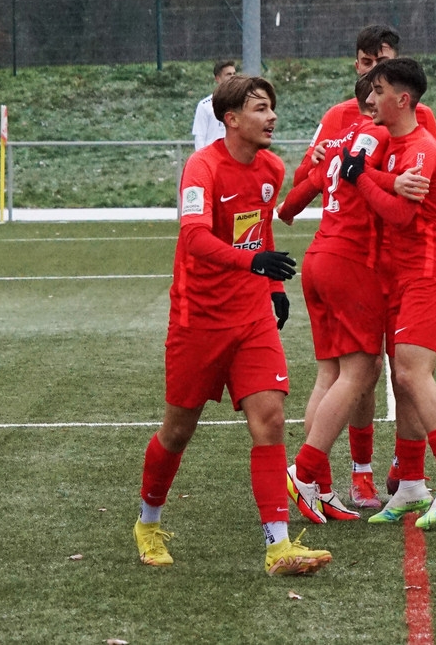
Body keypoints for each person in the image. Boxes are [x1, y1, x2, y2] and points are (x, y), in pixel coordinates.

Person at [134, 74, 331, 576]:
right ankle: (148, 523)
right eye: (261, 108)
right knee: (177, 431)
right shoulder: (201, 168)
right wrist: (253, 263)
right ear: (232, 119)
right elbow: (195, 238)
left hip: (251, 315)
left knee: (270, 420)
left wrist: (274, 286)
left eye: (272, 107)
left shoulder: (272, 168)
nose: (272, 117)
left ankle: (278, 547)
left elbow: (258, 230)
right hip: (198, 320)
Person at [294, 25, 436, 508]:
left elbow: (428, 170)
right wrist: (327, 166)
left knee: (398, 374)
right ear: (356, 65)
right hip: (362, 263)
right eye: (366, 65)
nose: (371, 83)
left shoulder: (417, 123)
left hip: (399, 263)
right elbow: (307, 180)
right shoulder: (339, 116)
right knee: (359, 376)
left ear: (398, 88)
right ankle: (353, 476)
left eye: (380, 69)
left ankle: (409, 478)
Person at [339, 58, 436, 529]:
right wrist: (368, 174)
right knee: (403, 381)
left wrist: (362, 177)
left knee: (412, 372)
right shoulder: (389, 142)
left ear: (402, 100)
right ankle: (412, 486)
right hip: (397, 274)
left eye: (378, 90)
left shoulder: (420, 145)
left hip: (428, 270)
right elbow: (363, 173)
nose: (369, 99)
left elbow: (400, 213)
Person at [275, 75, 422, 523]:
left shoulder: (341, 141)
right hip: (351, 263)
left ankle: (320, 489)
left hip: (319, 258)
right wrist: (396, 182)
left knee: (330, 374)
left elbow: (289, 206)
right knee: (362, 371)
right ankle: (304, 472)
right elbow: (386, 185)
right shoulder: (383, 135)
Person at [191, 59, 237, 150]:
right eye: (228, 74)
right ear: (217, 78)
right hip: (213, 155)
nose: (232, 77)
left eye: (234, 74)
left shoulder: (240, 103)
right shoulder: (205, 105)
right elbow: (200, 137)